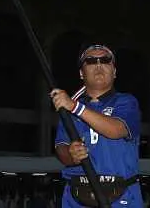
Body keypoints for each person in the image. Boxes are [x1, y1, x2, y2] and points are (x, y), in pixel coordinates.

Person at [50, 44, 142, 208]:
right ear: (81, 73)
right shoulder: (68, 109)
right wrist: (71, 155)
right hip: (76, 197)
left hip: (121, 197)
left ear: (114, 72)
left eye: (105, 60)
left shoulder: (126, 102)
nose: (98, 65)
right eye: (91, 61)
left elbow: (116, 130)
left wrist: (74, 107)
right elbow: (61, 149)